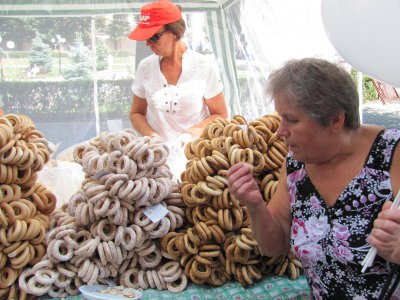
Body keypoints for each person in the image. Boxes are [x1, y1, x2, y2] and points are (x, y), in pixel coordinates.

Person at [227, 58, 400, 299]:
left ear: (334, 120)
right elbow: (272, 247)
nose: (280, 131)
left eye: (292, 120)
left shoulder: (392, 154)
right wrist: (254, 205)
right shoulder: (296, 164)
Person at [128, 0, 228, 146]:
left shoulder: (204, 67)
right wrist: (152, 136)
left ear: (174, 33)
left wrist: (190, 133)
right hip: (158, 155)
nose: (148, 43)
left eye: (154, 37)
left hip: (197, 154)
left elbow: (220, 114)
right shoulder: (145, 68)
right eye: (146, 37)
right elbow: (136, 113)